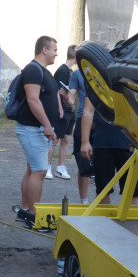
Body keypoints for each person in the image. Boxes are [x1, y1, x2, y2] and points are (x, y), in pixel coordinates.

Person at [79, 52, 138, 207]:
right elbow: (88, 111)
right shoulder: (96, 82)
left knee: (133, 192)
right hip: (103, 142)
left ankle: (136, 223)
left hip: (128, 142)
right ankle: (103, 223)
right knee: (103, 191)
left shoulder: (132, 80)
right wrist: (85, 141)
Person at [12, 36, 62, 228]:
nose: (56, 53)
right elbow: (33, 100)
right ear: (44, 50)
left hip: (38, 129)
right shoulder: (33, 70)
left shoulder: (44, 71)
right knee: (40, 171)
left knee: (33, 169)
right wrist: (47, 126)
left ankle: (25, 211)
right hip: (33, 129)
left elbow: (51, 95)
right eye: (54, 50)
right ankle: (34, 216)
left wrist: (57, 112)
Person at [68, 48, 95, 204]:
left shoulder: (101, 73)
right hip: (82, 120)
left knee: (103, 162)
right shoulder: (77, 74)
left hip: (100, 122)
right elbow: (71, 99)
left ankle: (101, 200)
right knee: (84, 164)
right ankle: (84, 201)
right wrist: (66, 99)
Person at [49, 45, 76, 180]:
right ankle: (47, 167)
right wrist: (59, 109)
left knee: (65, 139)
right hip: (62, 111)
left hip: (69, 110)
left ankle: (60, 167)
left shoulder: (71, 71)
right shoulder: (62, 71)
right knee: (55, 139)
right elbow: (57, 92)